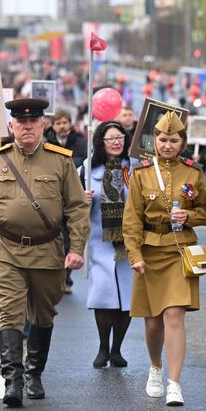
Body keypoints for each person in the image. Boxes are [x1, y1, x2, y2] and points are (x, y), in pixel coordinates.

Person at [0, 98, 90, 408]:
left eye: (33, 122)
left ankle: (35, 372)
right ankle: (13, 380)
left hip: (47, 249)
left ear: (42, 125)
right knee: (8, 310)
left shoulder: (61, 161)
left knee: (43, 313)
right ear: (12, 126)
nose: (27, 127)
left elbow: (76, 208)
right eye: (21, 123)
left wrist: (76, 248)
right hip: (5, 247)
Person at [122, 111, 206, 407]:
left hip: (179, 248)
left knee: (174, 315)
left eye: (174, 140)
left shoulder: (193, 172)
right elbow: (132, 218)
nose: (168, 145)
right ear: (154, 141)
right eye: (162, 139)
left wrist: (189, 216)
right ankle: (155, 367)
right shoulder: (142, 172)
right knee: (153, 322)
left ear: (183, 142)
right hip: (149, 251)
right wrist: (134, 254)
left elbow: (205, 211)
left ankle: (175, 382)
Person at [81, 121, 134, 368]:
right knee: (103, 295)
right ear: (101, 142)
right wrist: (84, 200)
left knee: (125, 297)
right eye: (111, 138)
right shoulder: (87, 169)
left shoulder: (134, 169)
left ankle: (117, 350)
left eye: (120, 138)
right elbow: (74, 206)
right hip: (100, 241)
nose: (116, 142)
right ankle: (103, 347)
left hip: (129, 241)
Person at [44, 109, 88, 294]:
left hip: (71, 195)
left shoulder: (80, 142)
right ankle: (55, 275)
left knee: (70, 239)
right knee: (55, 237)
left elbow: (86, 164)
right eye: (59, 123)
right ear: (53, 125)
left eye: (65, 122)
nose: (62, 126)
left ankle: (66, 277)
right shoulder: (46, 142)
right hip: (53, 196)